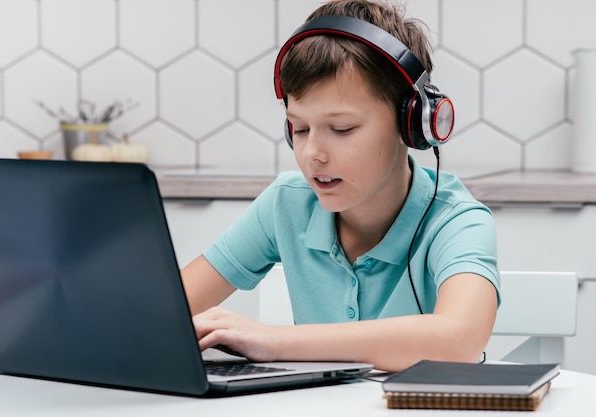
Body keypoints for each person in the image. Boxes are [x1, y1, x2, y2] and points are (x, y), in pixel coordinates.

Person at [181, 0, 499, 372]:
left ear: (411, 125)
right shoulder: (286, 204)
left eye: (342, 129)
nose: (312, 153)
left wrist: (273, 340)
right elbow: (162, 309)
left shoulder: (457, 221)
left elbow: (459, 339)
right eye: (299, 129)